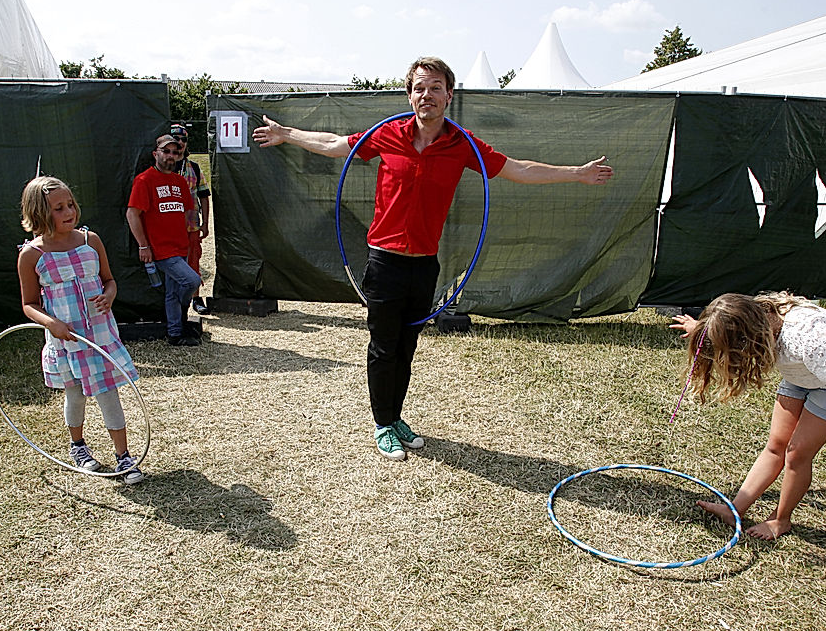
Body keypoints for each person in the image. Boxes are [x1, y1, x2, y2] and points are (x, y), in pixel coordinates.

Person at [253, 55, 614, 461]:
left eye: (436, 87)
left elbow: (516, 168)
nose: (427, 95)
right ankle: (382, 423)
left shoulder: (462, 145)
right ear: (409, 96)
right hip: (385, 263)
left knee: (407, 347)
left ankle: (395, 416)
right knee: (384, 346)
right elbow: (336, 145)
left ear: (449, 95)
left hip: (424, 264)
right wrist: (287, 133)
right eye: (419, 87)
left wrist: (575, 173)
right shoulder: (388, 134)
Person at [670, 292, 826, 540]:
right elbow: (726, 320)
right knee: (776, 445)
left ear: (750, 337)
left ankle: (780, 519)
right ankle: (734, 509)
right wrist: (702, 329)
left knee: (796, 453)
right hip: (802, 374)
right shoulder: (758, 318)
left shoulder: (808, 337)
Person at [19, 176, 146, 485]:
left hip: (100, 336)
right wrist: (51, 323)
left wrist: (110, 295)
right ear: (39, 213)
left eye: (70, 204)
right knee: (74, 395)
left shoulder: (91, 241)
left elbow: (109, 280)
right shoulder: (31, 255)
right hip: (66, 341)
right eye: (58, 208)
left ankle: (124, 457)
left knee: (107, 394)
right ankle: (78, 447)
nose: (69, 212)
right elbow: (29, 304)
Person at [126, 134, 203, 346]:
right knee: (192, 281)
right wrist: (143, 245)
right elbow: (132, 214)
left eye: (175, 153)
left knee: (172, 292)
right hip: (160, 250)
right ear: (155, 153)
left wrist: (195, 232)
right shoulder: (144, 180)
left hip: (182, 246)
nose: (170, 156)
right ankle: (182, 314)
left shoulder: (179, 181)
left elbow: (189, 211)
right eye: (166, 151)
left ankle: (175, 334)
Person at [169, 123, 212, 316]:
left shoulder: (193, 167)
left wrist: (205, 223)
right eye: (175, 138)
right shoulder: (162, 167)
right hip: (168, 226)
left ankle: (196, 298)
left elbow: (204, 194)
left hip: (190, 224)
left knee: (193, 259)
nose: (179, 143)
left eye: (183, 139)